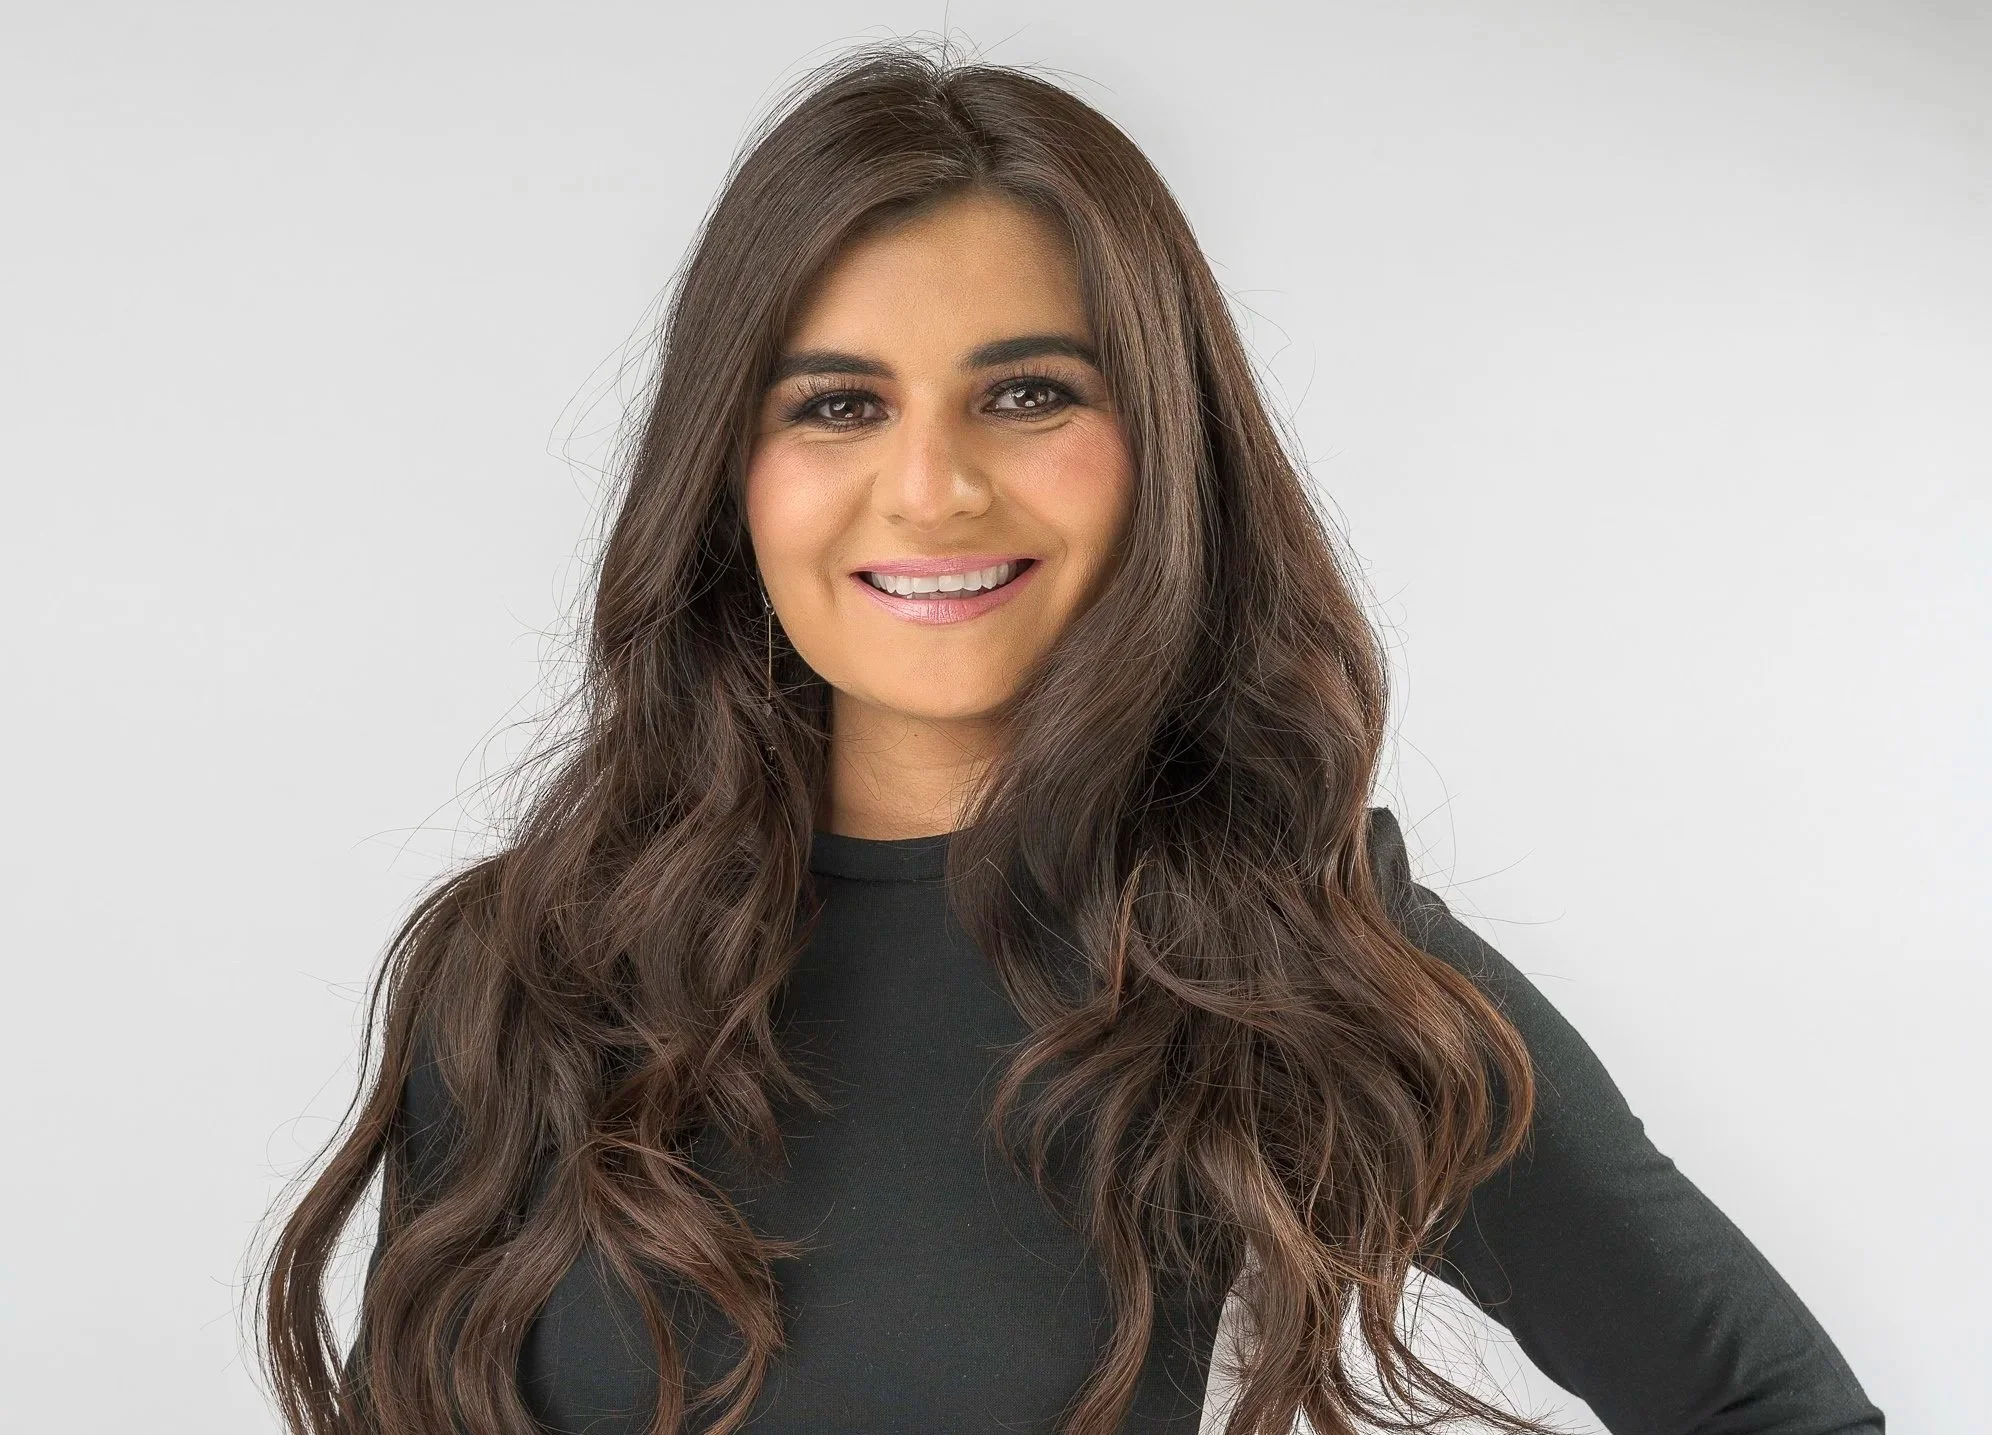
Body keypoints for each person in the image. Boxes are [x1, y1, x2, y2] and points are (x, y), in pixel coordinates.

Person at [257, 43, 1886, 1435]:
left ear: (1160, 445)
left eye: (1027, 393)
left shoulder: (1289, 963)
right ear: (727, 472)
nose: (932, 487)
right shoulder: (528, 967)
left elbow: (1763, 1405)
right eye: (836, 403)